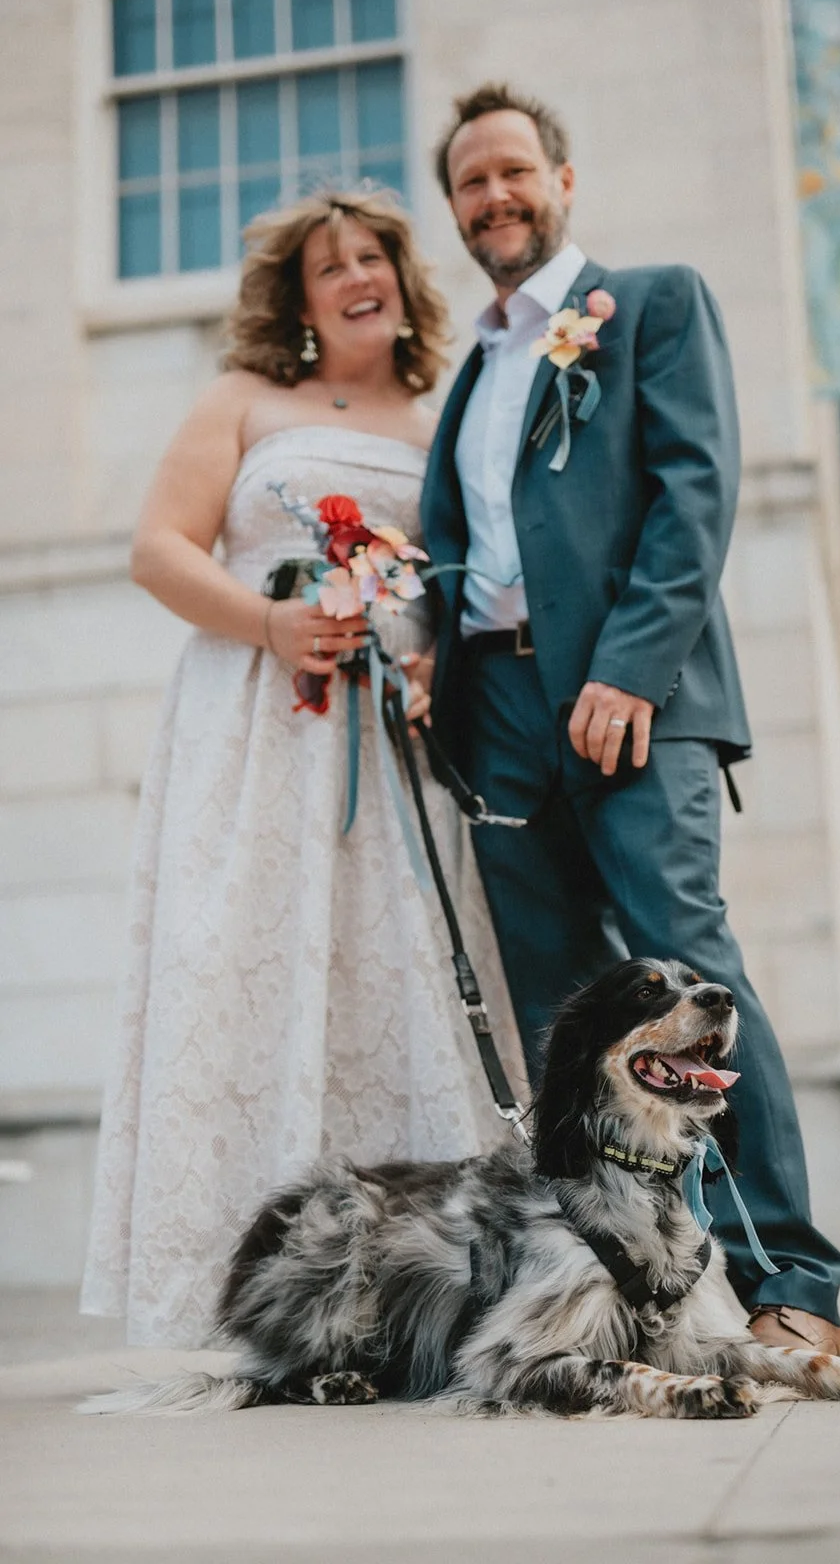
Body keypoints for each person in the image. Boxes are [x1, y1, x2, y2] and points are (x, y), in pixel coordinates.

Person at [420, 83, 840, 1356]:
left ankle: (793, 1285)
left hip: (628, 697)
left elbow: (691, 498)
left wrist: (631, 669)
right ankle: (630, 1289)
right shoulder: (475, 367)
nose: (492, 197)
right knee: (572, 1013)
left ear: (561, 178)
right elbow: (475, 549)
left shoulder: (651, 302)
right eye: (469, 184)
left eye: (512, 172)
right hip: (497, 712)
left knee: (687, 965)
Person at [81, 190, 525, 1349]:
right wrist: (270, 627)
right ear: (302, 297)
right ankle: (240, 1294)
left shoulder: (439, 417)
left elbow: (459, 586)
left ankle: (415, 1292)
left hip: (392, 751)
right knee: (243, 966)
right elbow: (157, 549)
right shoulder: (242, 401)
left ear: (401, 278)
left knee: (397, 969)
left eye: (374, 255)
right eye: (331, 266)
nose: (357, 275)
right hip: (256, 730)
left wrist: (431, 666)